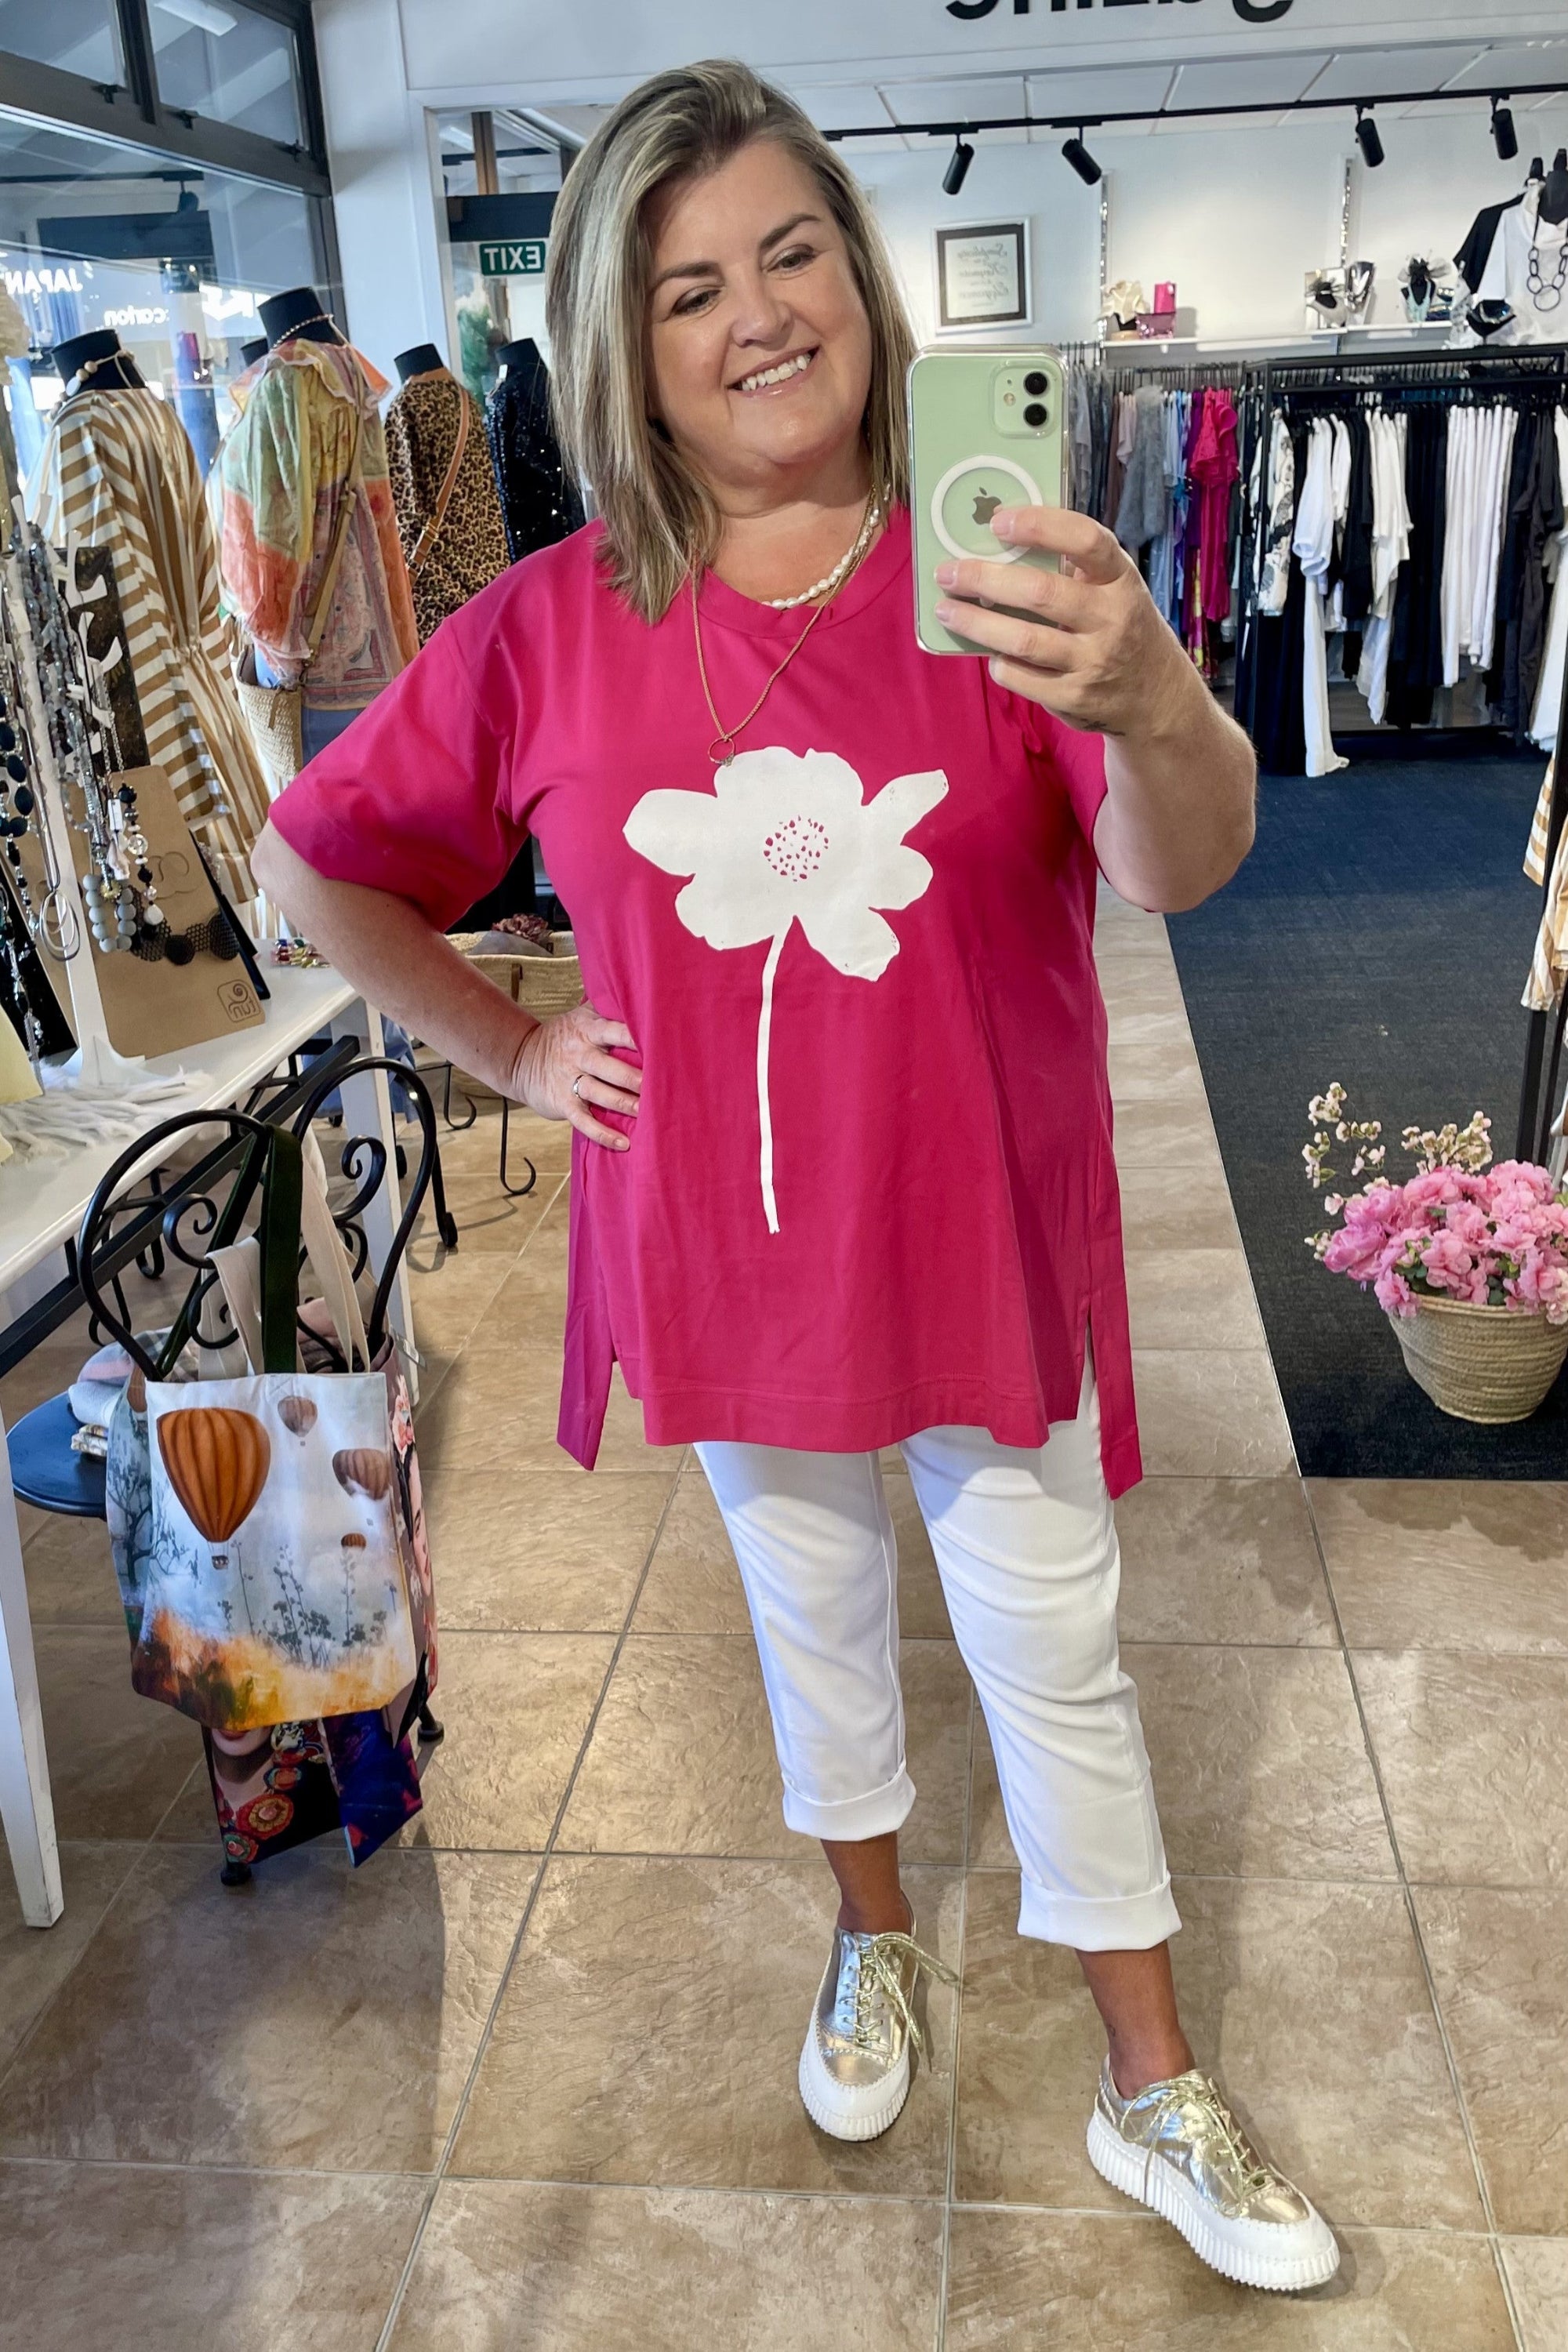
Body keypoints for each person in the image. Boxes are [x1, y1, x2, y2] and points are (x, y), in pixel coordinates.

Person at [253, 60, 1338, 2295]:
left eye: (790, 254)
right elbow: (312, 868)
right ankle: (872, 1943)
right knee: (811, 1622)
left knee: (1056, 1650)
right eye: (685, 289)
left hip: (979, 1231)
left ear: (855, 271)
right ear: (621, 346)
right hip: (728, 1254)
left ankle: (1147, 2078)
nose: (756, 316)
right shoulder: (547, 624)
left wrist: (1151, 697)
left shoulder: (1000, 559)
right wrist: (520, 1049)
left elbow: (1186, 864)